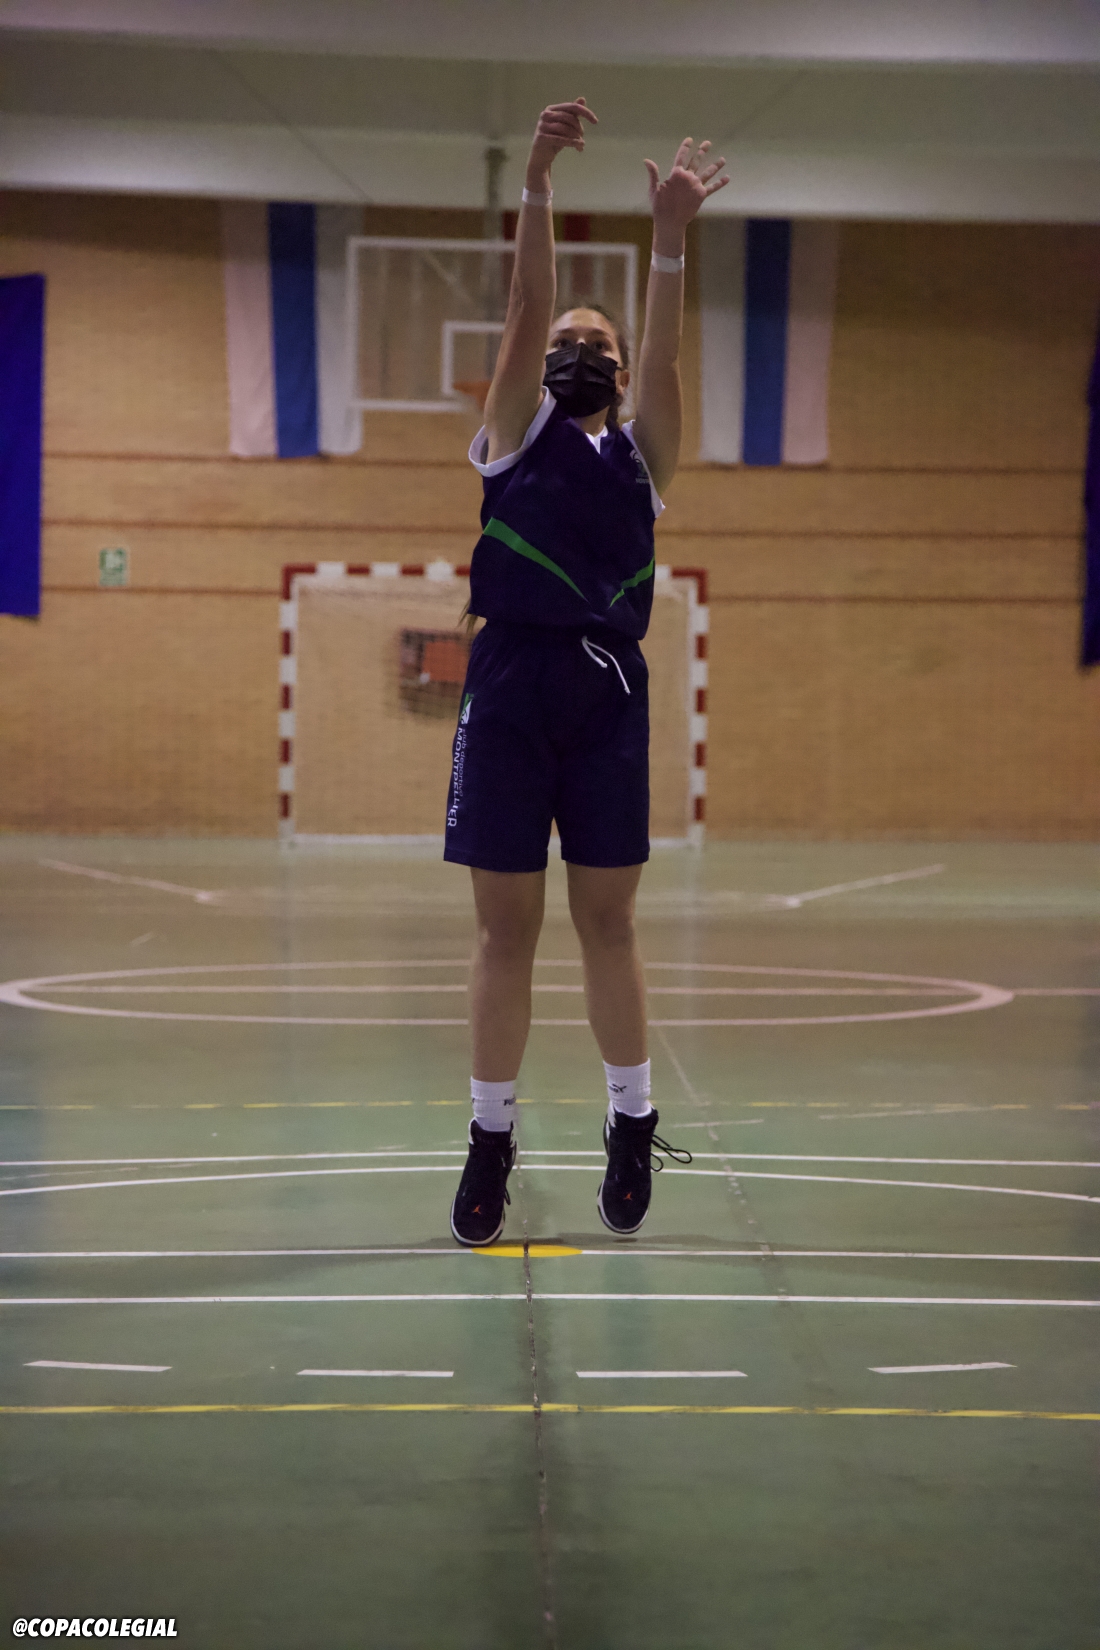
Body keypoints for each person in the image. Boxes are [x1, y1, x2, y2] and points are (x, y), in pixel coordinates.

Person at [445, 96, 728, 1246]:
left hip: (606, 692)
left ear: (614, 370)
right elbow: (523, 310)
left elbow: (661, 351)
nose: (576, 350)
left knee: (607, 924)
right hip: (509, 683)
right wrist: (536, 181)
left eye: (593, 344)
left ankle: (630, 1116)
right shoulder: (510, 436)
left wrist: (667, 238)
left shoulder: (644, 457)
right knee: (503, 930)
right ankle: (489, 1136)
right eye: (566, 342)